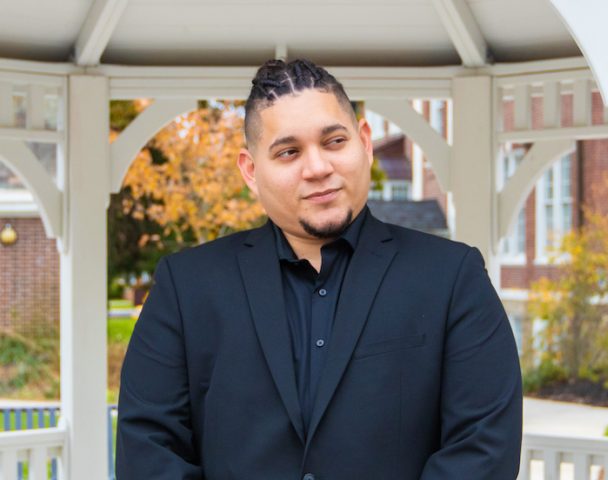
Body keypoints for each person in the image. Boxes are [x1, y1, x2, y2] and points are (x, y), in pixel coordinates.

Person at [116, 58, 522, 480]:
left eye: (334, 141)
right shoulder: (185, 288)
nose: (318, 168)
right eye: (289, 152)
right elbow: (149, 451)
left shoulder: (453, 278)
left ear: (364, 143)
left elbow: (483, 450)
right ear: (251, 171)